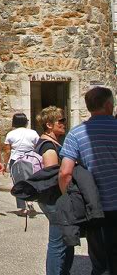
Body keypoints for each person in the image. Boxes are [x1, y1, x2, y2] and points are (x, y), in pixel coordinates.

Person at [59, 86, 117, 275]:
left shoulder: (75, 134)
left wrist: (68, 199)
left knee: (100, 263)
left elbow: (65, 172)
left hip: (96, 206)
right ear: (109, 105)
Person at [34, 105, 74, 275]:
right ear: (49, 124)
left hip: (51, 199)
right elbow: (52, 176)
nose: (64, 123)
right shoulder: (49, 147)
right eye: (61, 120)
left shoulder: (50, 143)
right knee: (58, 243)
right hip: (55, 198)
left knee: (65, 239)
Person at [4, 112, 39, 216]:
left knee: (18, 184)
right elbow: (37, 147)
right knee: (30, 181)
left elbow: (7, 151)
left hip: (16, 160)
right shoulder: (33, 133)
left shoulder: (10, 134)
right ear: (25, 122)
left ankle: (22, 208)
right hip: (30, 160)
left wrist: (5, 163)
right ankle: (30, 201)